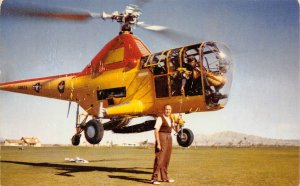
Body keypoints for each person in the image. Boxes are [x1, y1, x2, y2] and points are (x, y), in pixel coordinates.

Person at [151, 104, 179, 185]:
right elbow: (156, 131)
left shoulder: (171, 119)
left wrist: (179, 122)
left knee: (166, 159)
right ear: (164, 110)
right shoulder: (160, 118)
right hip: (162, 137)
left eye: (169, 109)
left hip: (169, 138)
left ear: (171, 110)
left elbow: (176, 130)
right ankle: (154, 179)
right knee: (159, 159)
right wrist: (158, 144)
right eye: (166, 109)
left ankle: (165, 178)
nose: (168, 111)